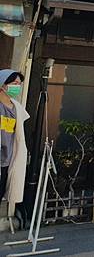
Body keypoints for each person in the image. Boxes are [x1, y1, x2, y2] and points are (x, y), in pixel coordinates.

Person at [0, 70, 29, 218]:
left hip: (6, 161)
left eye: (19, 84)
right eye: (14, 83)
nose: (17, 87)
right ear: (3, 85)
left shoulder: (17, 108)